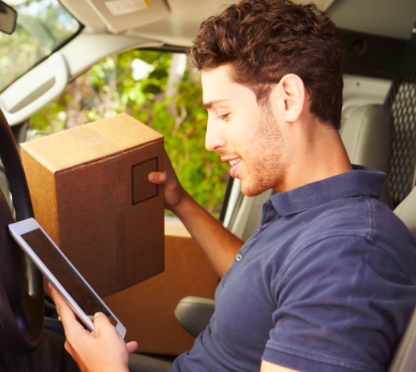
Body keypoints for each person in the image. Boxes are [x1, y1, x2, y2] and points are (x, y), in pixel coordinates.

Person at [47, 0, 416, 371]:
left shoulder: (350, 254)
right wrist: (180, 201)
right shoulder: (307, 214)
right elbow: (260, 277)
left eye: (223, 113)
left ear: (288, 98)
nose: (210, 141)